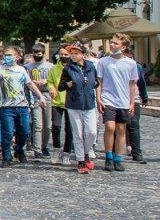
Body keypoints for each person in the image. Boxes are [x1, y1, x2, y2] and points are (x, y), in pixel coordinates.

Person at [0, 47, 45, 168]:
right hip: (7, 107)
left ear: (17, 57)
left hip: (22, 106)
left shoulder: (21, 70)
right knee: (7, 132)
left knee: (25, 131)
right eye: (5, 55)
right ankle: (6, 157)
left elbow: (30, 84)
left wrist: (40, 96)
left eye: (9, 55)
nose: (6, 57)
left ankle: (19, 149)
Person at [96, 33, 140, 172]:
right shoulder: (103, 61)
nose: (112, 44)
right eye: (111, 42)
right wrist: (99, 98)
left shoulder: (131, 63)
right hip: (108, 98)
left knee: (121, 129)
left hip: (124, 100)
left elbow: (132, 84)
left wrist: (132, 102)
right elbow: (99, 81)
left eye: (115, 43)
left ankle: (118, 158)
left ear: (123, 46)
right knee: (110, 127)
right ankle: (108, 156)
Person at [58, 44, 100, 174]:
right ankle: (81, 161)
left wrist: (95, 84)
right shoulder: (68, 68)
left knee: (92, 132)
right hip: (74, 104)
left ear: (83, 54)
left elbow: (96, 82)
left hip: (89, 104)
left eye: (76, 53)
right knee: (78, 134)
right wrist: (68, 84)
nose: (74, 55)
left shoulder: (91, 67)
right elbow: (61, 86)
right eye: (72, 53)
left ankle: (86, 153)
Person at [48, 45, 75, 165]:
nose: (63, 56)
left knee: (69, 129)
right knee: (56, 126)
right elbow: (50, 82)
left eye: (66, 54)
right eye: (61, 54)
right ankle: (56, 149)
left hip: (71, 102)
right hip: (57, 101)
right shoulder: (54, 69)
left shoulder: (74, 68)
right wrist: (51, 88)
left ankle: (66, 153)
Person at [25, 44, 52, 158]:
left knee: (48, 125)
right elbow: (26, 83)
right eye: (35, 54)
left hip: (48, 97)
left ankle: (44, 146)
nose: (37, 56)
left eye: (39, 54)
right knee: (37, 124)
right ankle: (37, 150)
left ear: (43, 53)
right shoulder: (28, 67)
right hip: (34, 97)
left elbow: (54, 81)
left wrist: (46, 81)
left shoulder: (50, 66)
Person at [125, 43, 148, 164]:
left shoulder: (137, 66)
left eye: (130, 57)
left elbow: (141, 83)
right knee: (120, 126)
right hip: (120, 99)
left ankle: (136, 153)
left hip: (134, 99)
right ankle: (114, 153)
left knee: (134, 125)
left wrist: (144, 97)